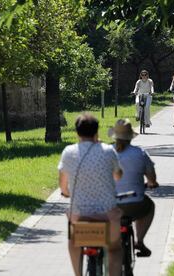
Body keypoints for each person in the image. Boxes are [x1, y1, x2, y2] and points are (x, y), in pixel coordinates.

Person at [58, 113, 123, 276]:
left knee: (73, 242)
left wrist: (66, 193)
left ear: (77, 133)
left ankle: (78, 274)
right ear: (97, 132)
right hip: (106, 215)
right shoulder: (108, 151)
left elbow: (63, 185)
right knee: (115, 248)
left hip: (80, 215)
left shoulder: (68, 152)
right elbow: (118, 175)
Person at [108, 118, 159, 257]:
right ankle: (140, 241)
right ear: (130, 136)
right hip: (135, 203)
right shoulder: (140, 153)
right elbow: (152, 179)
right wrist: (152, 184)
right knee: (149, 207)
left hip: (111, 205)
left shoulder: (106, 152)